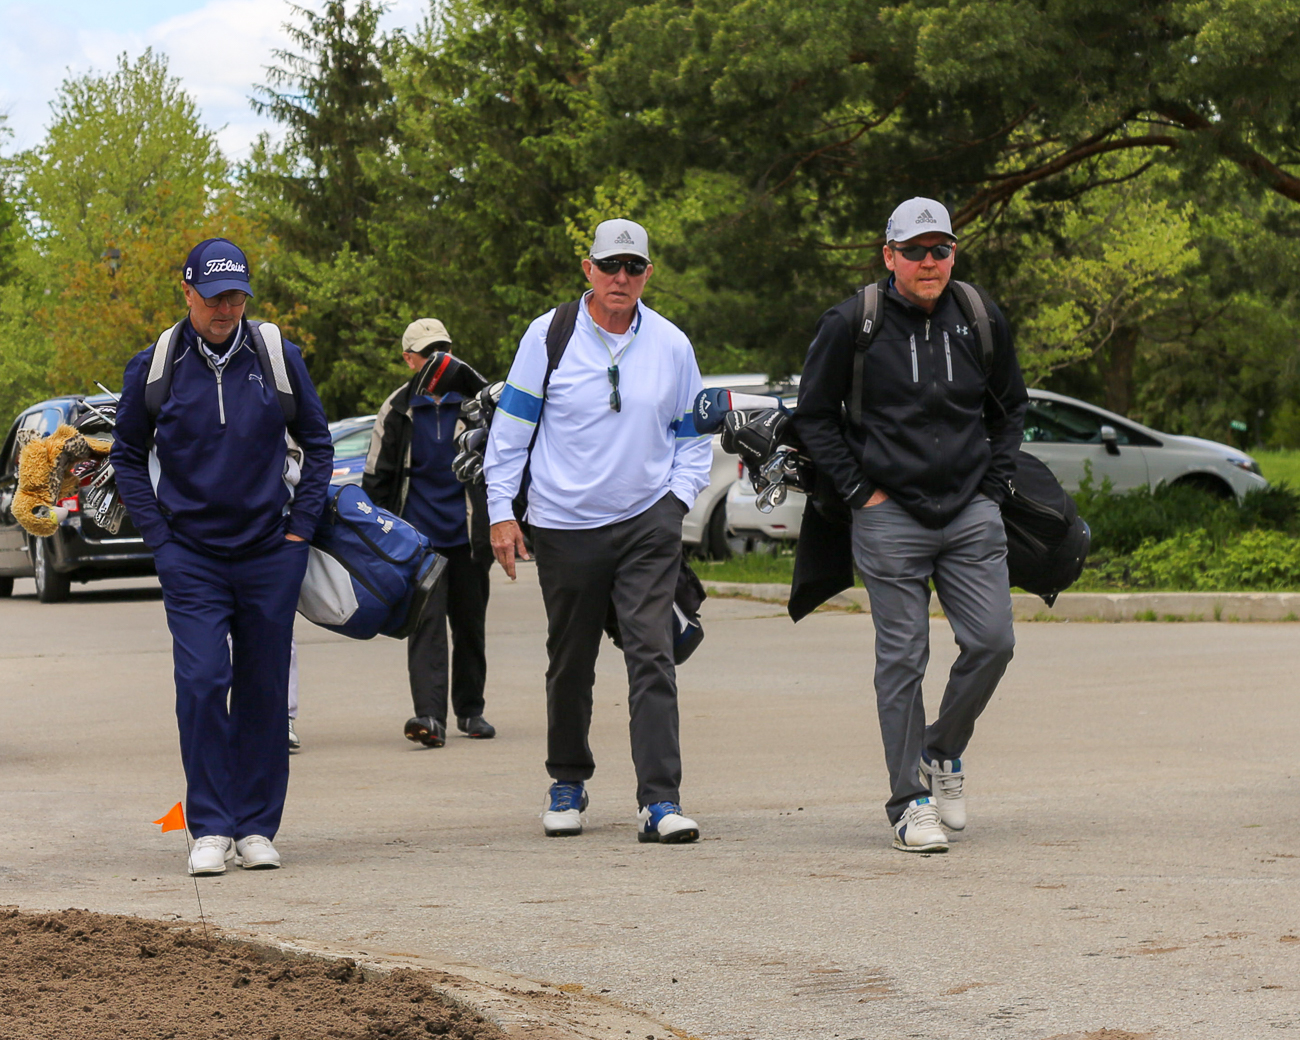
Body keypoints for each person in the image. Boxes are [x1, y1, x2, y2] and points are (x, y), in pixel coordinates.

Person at [792, 198, 1028, 854]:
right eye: (916, 251)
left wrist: (993, 488)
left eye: (941, 249)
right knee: (902, 656)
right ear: (889, 255)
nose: (930, 262)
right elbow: (814, 416)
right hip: (888, 512)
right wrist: (860, 493)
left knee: (994, 642)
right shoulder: (853, 322)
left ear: (953, 254)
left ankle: (941, 749)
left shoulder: (979, 316)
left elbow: (1011, 409)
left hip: (970, 510)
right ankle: (909, 802)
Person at [483, 218, 711, 843]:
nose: (621, 277)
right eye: (610, 265)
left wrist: (675, 503)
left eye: (633, 267)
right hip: (563, 525)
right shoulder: (548, 335)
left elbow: (693, 437)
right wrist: (500, 511)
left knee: (652, 655)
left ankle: (660, 801)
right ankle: (567, 779)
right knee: (571, 658)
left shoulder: (671, 344)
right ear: (588, 269)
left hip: (647, 522)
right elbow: (511, 431)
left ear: (647, 274)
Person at [112, 238, 332, 875]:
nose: (226, 309)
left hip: (270, 553)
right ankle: (209, 826)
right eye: (214, 298)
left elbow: (318, 446)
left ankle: (256, 826)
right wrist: (160, 539)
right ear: (187, 293)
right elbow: (126, 456)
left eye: (236, 297)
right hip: (191, 558)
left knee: (264, 690)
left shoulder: (276, 357)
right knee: (205, 682)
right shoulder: (157, 365)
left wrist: (299, 532)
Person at [362, 319, 495, 749]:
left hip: (468, 538)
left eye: (444, 351)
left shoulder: (476, 406)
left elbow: (502, 466)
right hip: (418, 544)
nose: (438, 361)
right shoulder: (398, 408)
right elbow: (376, 478)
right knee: (426, 628)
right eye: (427, 354)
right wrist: (381, 540)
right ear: (409, 360)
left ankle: (471, 710)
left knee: (470, 627)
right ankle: (430, 718)